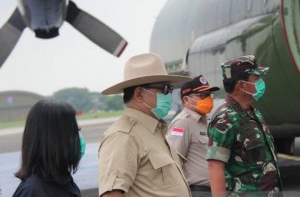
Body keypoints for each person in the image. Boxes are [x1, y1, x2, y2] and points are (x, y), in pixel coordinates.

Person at [98, 53, 192, 197]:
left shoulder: (154, 130)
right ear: (140, 94)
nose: (169, 95)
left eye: (170, 89)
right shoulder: (123, 136)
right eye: (165, 89)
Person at [206, 55, 282, 197]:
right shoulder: (224, 119)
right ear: (242, 85)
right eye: (256, 79)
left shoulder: (254, 113)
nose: (261, 82)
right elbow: (215, 166)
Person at [13, 99, 85, 197]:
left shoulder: (62, 180)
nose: (77, 137)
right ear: (53, 140)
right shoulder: (34, 191)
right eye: (73, 130)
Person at [166, 75, 220, 197]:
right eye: (202, 96)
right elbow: (173, 164)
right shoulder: (182, 123)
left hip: (215, 190)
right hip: (198, 191)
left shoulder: (206, 121)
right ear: (186, 100)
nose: (208, 99)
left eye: (209, 95)